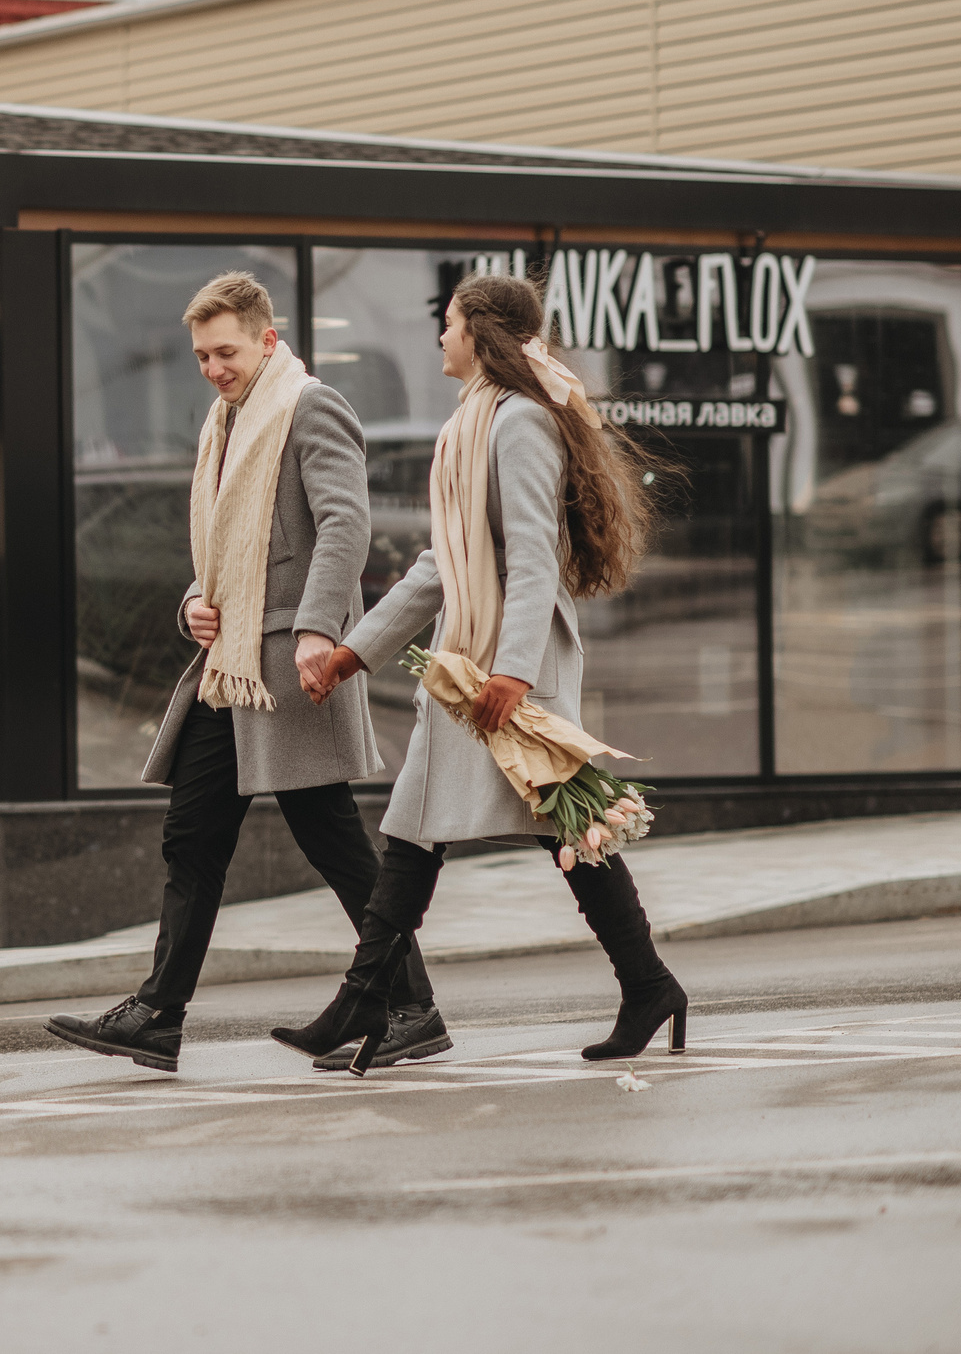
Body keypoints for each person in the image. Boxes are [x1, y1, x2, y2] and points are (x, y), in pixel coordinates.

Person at [277, 272, 686, 1075]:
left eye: (451, 323)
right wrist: (355, 650)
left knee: (566, 826)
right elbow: (442, 563)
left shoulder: (519, 423)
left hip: (502, 668)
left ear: (481, 334)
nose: (440, 336)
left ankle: (647, 983)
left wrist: (516, 674)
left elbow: (533, 559)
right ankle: (370, 996)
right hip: (469, 661)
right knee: (416, 827)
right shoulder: (473, 421)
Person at [44, 272, 443, 1074]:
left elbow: (345, 523)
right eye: (200, 355)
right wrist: (196, 598)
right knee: (191, 835)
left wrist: (318, 629)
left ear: (267, 339)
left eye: (225, 351)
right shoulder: (223, 421)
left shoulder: (309, 405)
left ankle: (412, 1005)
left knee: (333, 842)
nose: (212, 368)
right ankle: (158, 1013)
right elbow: (227, 551)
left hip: (289, 664)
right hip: (228, 669)